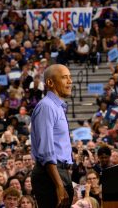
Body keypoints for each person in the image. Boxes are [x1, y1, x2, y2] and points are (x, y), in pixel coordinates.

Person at [30, 64, 74, 208]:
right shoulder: (46, 107)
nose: (70, 81)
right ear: (50, 82)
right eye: (64, 77)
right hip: (50, 176)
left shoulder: (58, 107)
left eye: (70, 77)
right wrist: (59, 185)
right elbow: (46, 152)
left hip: (59, 173)